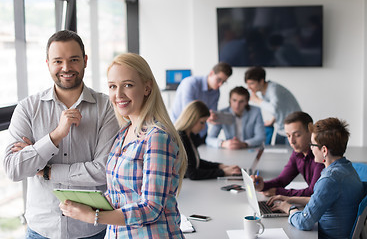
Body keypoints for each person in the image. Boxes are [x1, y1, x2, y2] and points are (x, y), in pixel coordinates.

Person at [3, 30, 119, 239]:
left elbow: (104, 171)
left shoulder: (106, 107)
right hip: (41, 230)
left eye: (73, 60)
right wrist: (55, 136)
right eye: (58, 61)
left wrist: (46, 170)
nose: (66, 68)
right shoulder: (28, 108)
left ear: (84, 61)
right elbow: (14, 169)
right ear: (48, 63)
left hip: (92, 231)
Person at [59, 53, 187, 238]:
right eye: (112, 86)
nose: (118, 95)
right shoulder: (124, 133)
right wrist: (86, 204)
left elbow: (152, 208)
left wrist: (93, 216)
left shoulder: (157, 137)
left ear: (147, 87)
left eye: (128, 85)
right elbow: (119, 195)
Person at [268, 117, 365, 239]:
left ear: (324, 150)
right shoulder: (348, 168)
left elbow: (304, 223)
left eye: (312, 144)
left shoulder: (330, 179)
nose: (311, 148)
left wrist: (289, 209)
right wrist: (291, 199)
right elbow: (320, 200)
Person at [252, 111, 324, 196]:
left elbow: (313, 192)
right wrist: (263, 185)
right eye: (288, 136)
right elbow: (282, 180)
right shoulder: (297, 153)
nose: (291, 141)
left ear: (310, 131)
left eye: (297, 135)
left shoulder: (320, 155)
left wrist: (278, 192)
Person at [175, 100, 241, 180]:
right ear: (192, 119)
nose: (203, 127)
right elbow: (192, 173)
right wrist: (223, 172)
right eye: (202, 122)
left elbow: (196, 163)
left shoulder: (190, 136)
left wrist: (220, 166)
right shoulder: (181, 138)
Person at [171, 62, 233, 145]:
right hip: (181, 131)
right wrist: (208, 116)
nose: (220, 84)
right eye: (219, 79)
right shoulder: (190, 83)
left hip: (200, 132)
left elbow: (211, 112)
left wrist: (213, 117)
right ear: (211, 73)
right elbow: (189, 110)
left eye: (224, 82)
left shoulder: (216, 92)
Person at [244, 66, 301, 144]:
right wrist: (272, 121)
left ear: (261, 81)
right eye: (248, 84)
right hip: (282, 129)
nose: (249, 87)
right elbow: (280, 108)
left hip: (293, 129)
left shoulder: (273, 89)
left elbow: (274, 109)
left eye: (252, 83)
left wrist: (257, 100)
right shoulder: (264, 91)